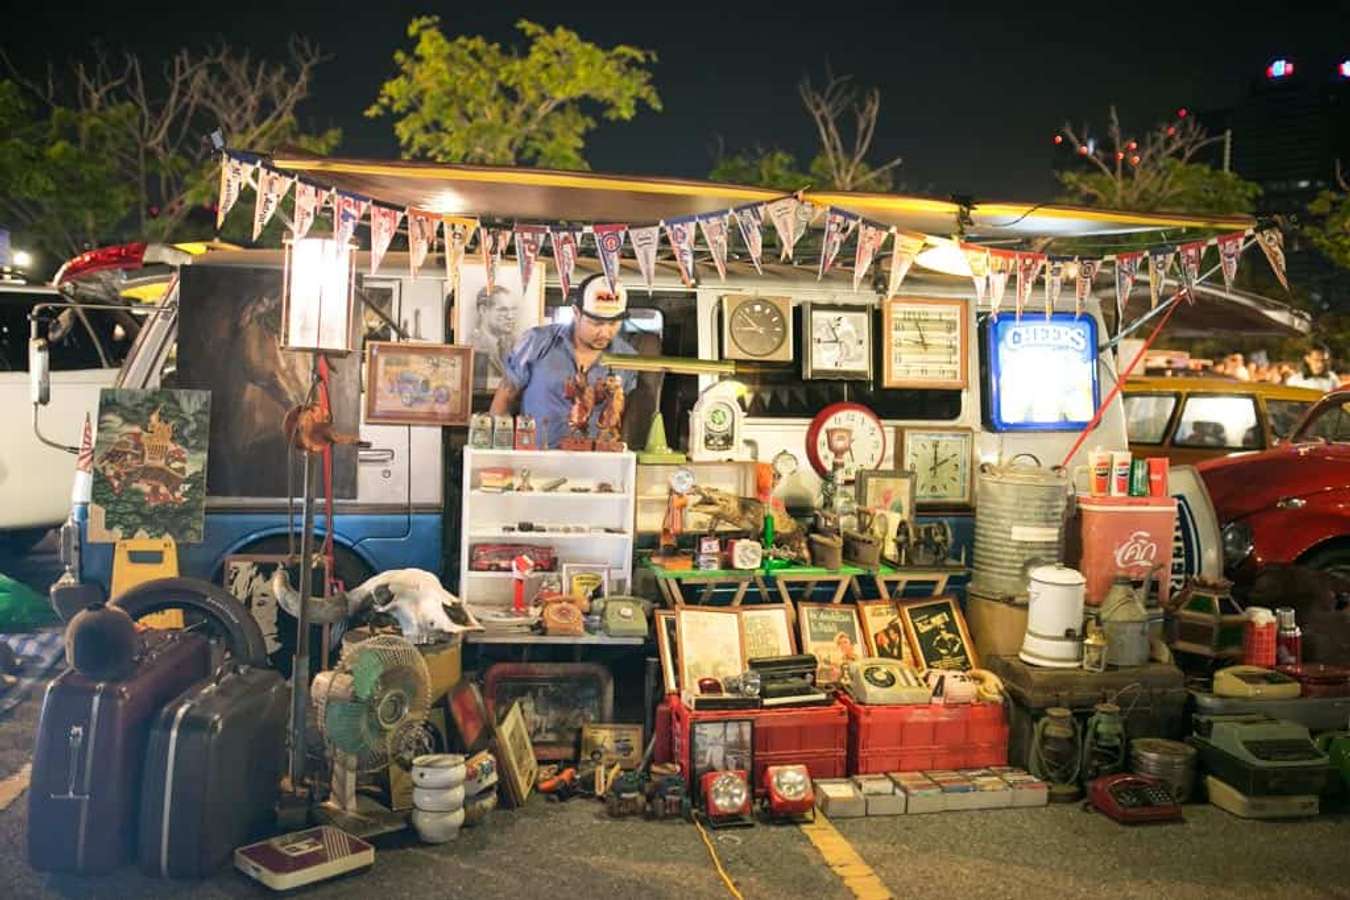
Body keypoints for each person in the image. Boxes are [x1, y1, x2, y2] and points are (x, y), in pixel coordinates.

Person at [490, 274, 638, 449]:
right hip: (536, 460)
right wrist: (499, 454)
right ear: (576, 313)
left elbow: (624, 417)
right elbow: (502, 402)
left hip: (596, 464)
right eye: (596, 323)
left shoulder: (627, 358)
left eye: (613, 323)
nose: (605, 333)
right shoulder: (537, 342)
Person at [469, 284, 518, 392]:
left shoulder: (515, 344)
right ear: (483, 310)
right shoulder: (471, 347)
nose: (510, 316)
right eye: (502, 310)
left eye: (513, 309)